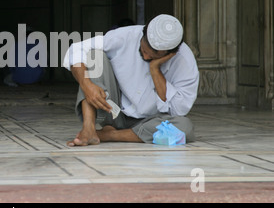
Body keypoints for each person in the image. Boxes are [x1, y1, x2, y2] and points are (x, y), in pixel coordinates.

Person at [63, 14, 199, 146]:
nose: (145, 57)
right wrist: (86, 85)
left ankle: (108, 135)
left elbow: (178, 111)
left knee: (184, 128)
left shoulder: (185, 63)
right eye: (143, 50)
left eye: (153, 56)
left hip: (150, 121)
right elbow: (76, 49)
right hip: (112, 110)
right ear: (143, 34)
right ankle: (89, 128)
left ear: (171, 53)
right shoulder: (126, 36)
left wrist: (155, 70)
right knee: (94, 55)